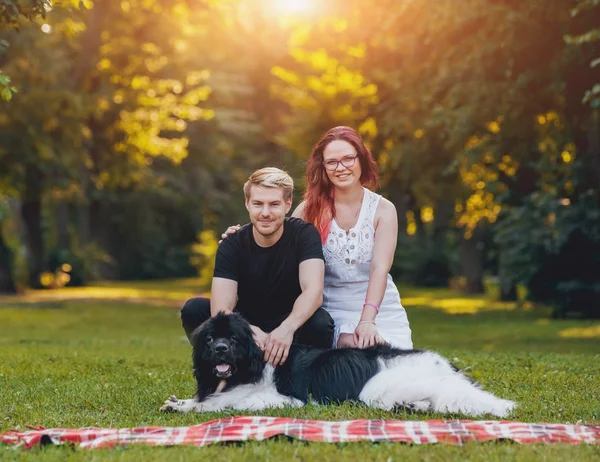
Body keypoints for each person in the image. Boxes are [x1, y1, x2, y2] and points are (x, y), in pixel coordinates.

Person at [223, 127, 412, 350]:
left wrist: (368, 321)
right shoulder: (308, 210)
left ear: (361, 160)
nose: (341, 168)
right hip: (329, 307)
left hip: (377, 306)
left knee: (390, 355)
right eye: (331, 162)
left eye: (348, 159)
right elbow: (274, 233)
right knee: (355, 351)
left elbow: (379, 269)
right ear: (323, 167)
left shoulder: (383, 210)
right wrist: (238, 238)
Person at [180, 167, 334, 367]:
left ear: (288, 205)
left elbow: (313, 292)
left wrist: (286, 329)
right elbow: (221, 308)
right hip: (244, 328)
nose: (265, 213)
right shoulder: (232, 243)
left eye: (274, 204)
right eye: (258, 204)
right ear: (247, 204)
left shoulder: (304, 235)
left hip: (292, 326)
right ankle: (221, 368)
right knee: (195, 309)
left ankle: (303, 373)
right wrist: (250, 331)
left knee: (320, 322)